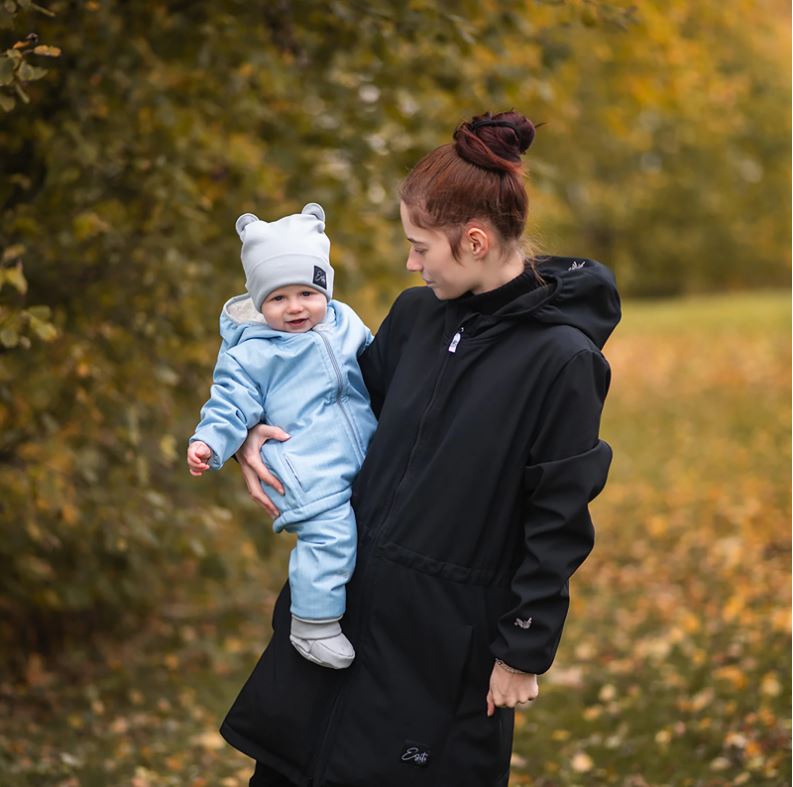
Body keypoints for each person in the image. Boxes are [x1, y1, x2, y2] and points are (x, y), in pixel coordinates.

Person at [220, 110, 621, 787]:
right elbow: (336, 408)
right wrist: (251, 428)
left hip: (441, 647)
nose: (409, 262)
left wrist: (522, 647)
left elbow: (557, 517)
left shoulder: (561, 361)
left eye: (419, 246)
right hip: (341, 613)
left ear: (472, 240)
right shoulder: (414, 317)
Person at [187, 203, 377, 670]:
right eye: (278, 298)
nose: (295, 307)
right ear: (259, 301)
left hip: (366, 454)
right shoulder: (251, 355)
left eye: (307, 292)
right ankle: (312, 626)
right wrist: (209, 443)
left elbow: (377, 359)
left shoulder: (344, 321)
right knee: (330, 538)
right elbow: (229, 403)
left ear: (325, 290)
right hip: (305, 466)